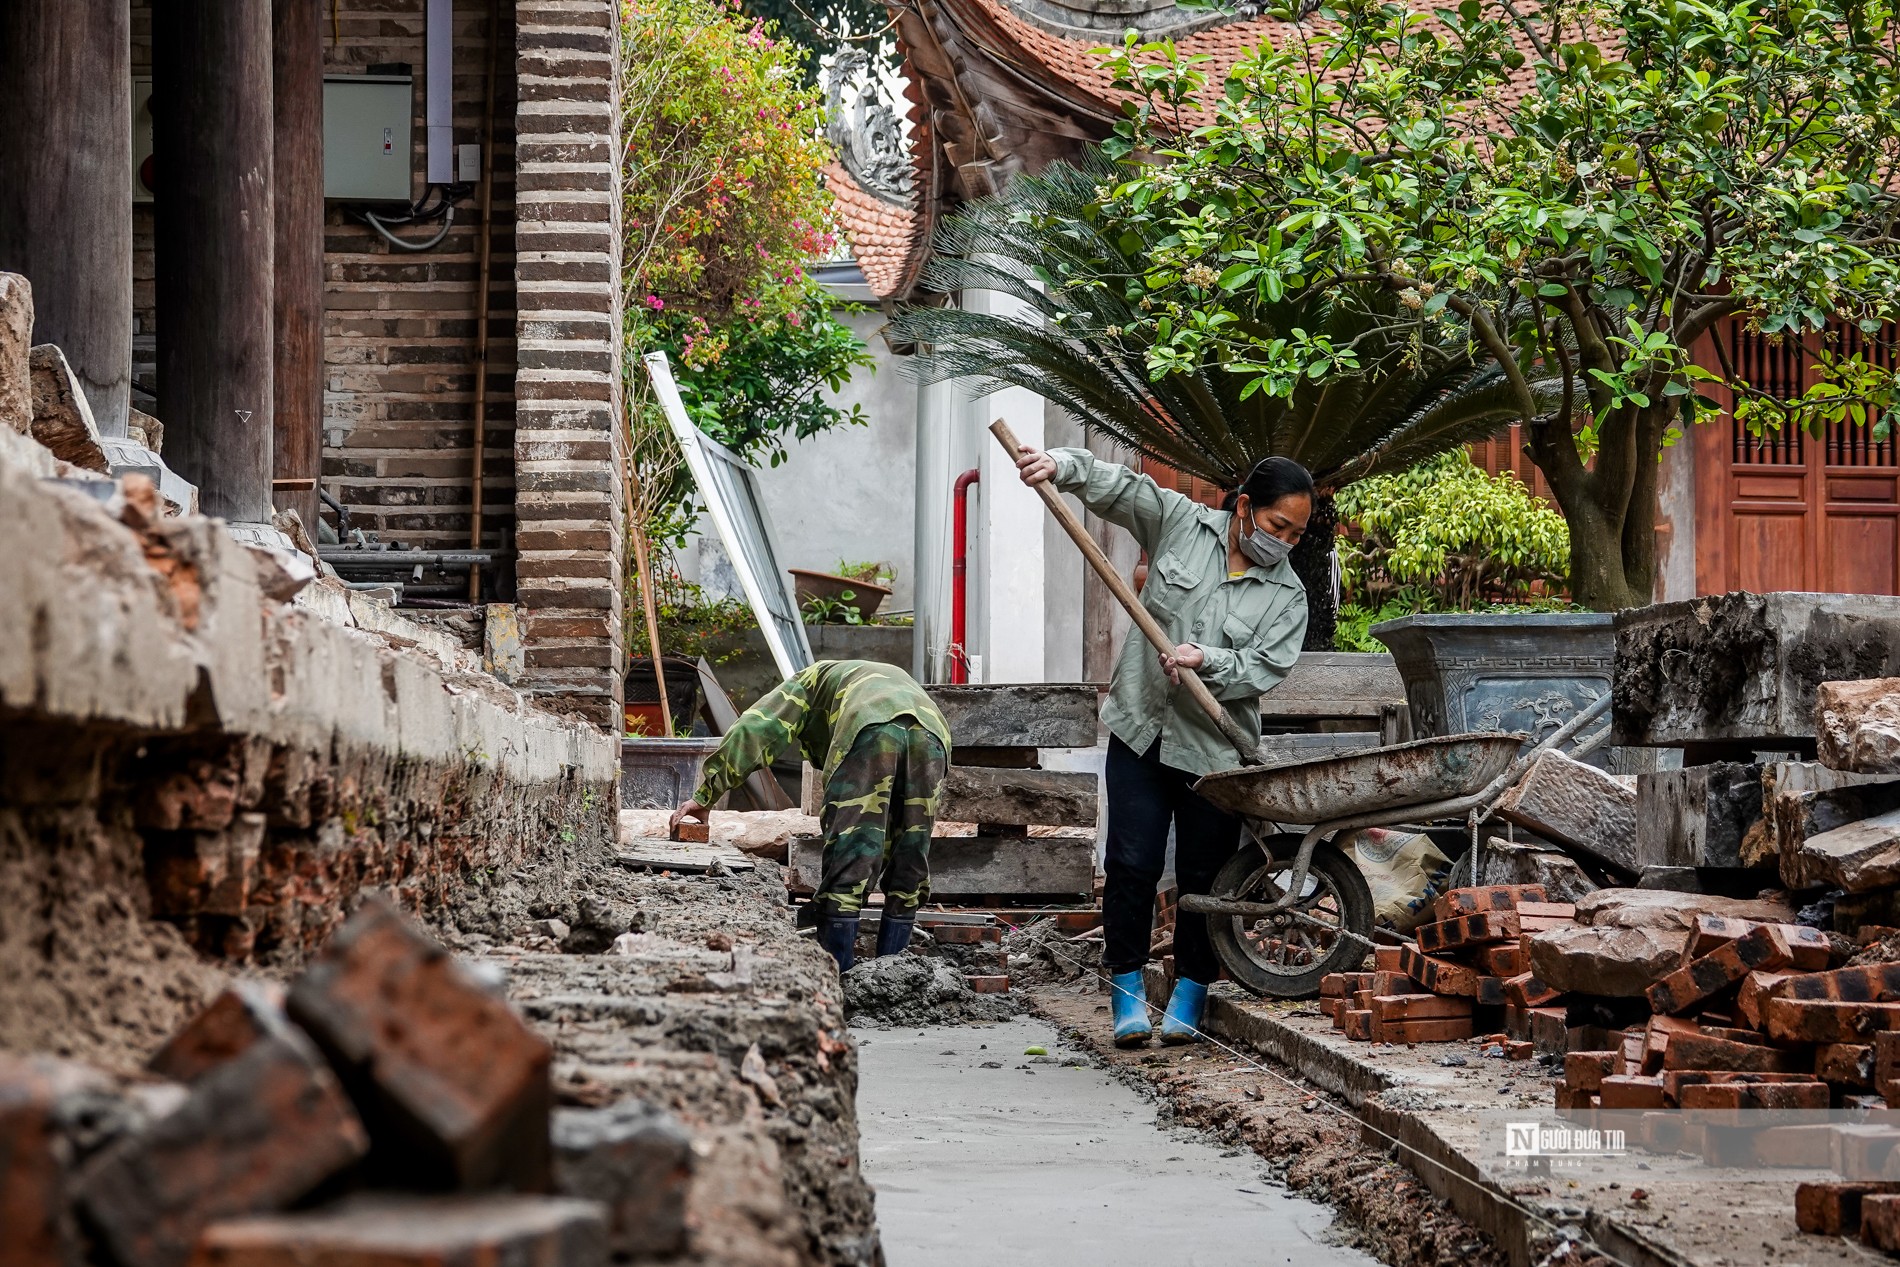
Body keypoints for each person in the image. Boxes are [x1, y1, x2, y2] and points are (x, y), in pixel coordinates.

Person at [1016, 446, 1312, 1046]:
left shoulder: (1289, 597)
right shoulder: (1180, 521)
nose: (1284, 541)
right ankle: (1125, 990)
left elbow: (1266, 666)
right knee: (1133, 864)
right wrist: (1062, 467)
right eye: (1278, 526)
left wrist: (1212, 662)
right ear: (1246, 506)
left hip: (1214, 753)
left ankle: (1190, 993)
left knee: (1205, 877)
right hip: (1141, 730)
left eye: (1296, 535)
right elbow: (1123, 490)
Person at [669, 659, 952, 972]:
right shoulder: (860, 678)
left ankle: (838, 979)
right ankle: (894, 976)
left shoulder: (808, 682)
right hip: (933, 734)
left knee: (850, 859)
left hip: (869, 727)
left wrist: (706, 795)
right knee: (910, 855)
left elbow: (756, 728)